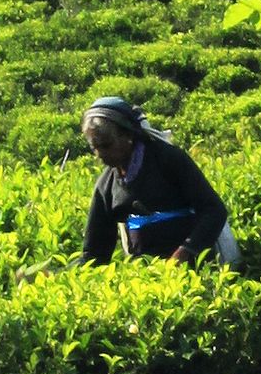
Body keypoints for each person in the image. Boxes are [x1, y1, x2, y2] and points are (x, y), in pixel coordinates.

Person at [79, 96, 239, 267]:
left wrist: (186, 252)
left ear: (128, 136)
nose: (99, 154)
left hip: (197, 268)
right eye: (94, 147)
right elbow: (95, 252)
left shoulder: (168, 159)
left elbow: (214, 210)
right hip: (148, 276)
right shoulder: (106, 185)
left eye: (106, 145)